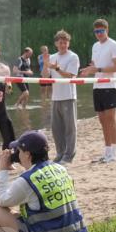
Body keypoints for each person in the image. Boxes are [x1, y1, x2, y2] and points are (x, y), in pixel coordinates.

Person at [0, 130, 87, 232]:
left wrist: (3, 170)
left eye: (19, 150)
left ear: (27, 154)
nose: (17, 153)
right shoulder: (60, 169)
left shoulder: (27, 180)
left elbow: (3, 200)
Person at [79, 19, 116, 163]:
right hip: (97, 86)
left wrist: (97, 69)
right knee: (102, 121)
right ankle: (107, 151)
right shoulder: (95, 46)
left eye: (101, 31)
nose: (99, 34)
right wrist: (88, 69)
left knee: (110, 119)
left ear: (106, 30)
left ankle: (114, 153)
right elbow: (95, 65)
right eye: (96, 31)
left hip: (110, 86)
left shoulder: (114, 45)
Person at [45, 30, 79, 165]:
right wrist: (45, 64)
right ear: (56, 44)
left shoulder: (73, 57)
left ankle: (69, 155)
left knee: (70, 127)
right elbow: (45, 76)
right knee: (56, 128)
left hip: (68, 95)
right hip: (55, 96)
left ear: (68, 43)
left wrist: (57, 69)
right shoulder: (52, 57)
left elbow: (71, 76)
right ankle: (60, 153)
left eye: (65, 42)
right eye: (60, 42)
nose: (63, 45)